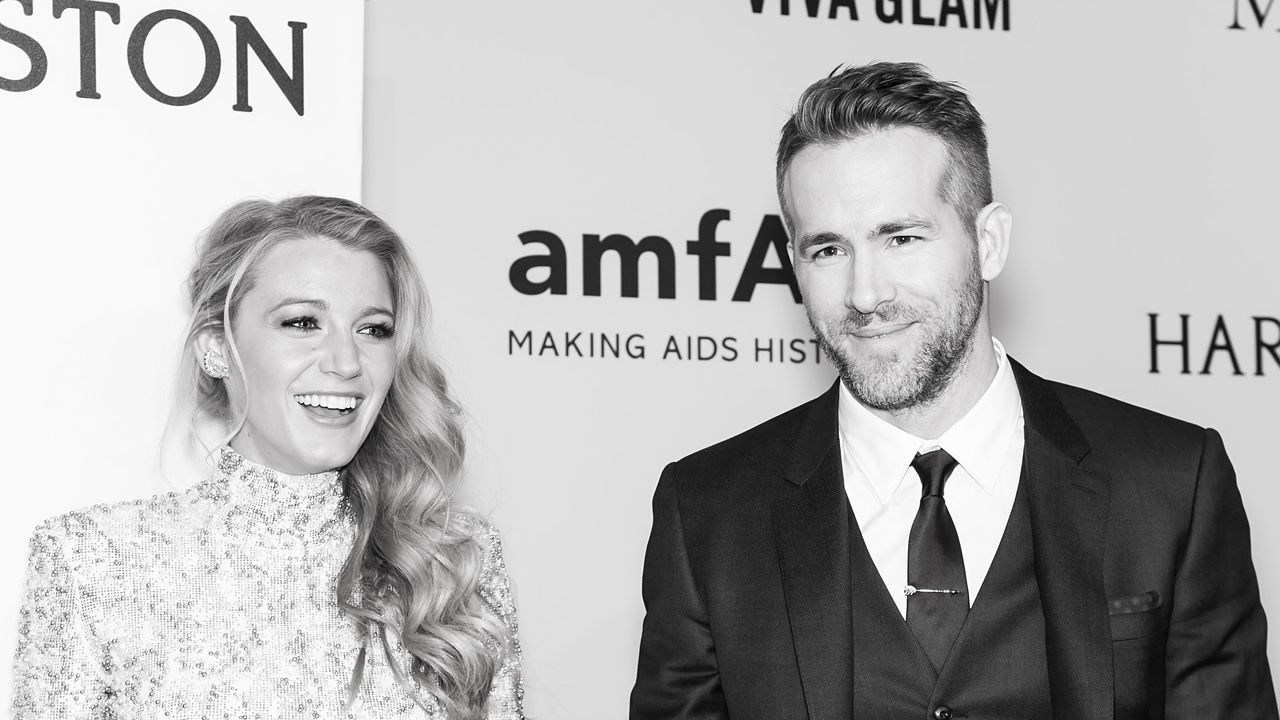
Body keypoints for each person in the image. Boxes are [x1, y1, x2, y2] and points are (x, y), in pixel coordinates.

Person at [630, 62, 1277, 719]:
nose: (865, 294)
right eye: (827, 250)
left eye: (901, 238)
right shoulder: (709, 513)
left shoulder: (1169, 484)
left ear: (988, 242)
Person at [12, 196, 523, 719]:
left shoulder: (452, 562)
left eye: (373, 329)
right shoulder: (92, 563)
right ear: (217, 347)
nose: (347, 362)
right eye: (302, 323)